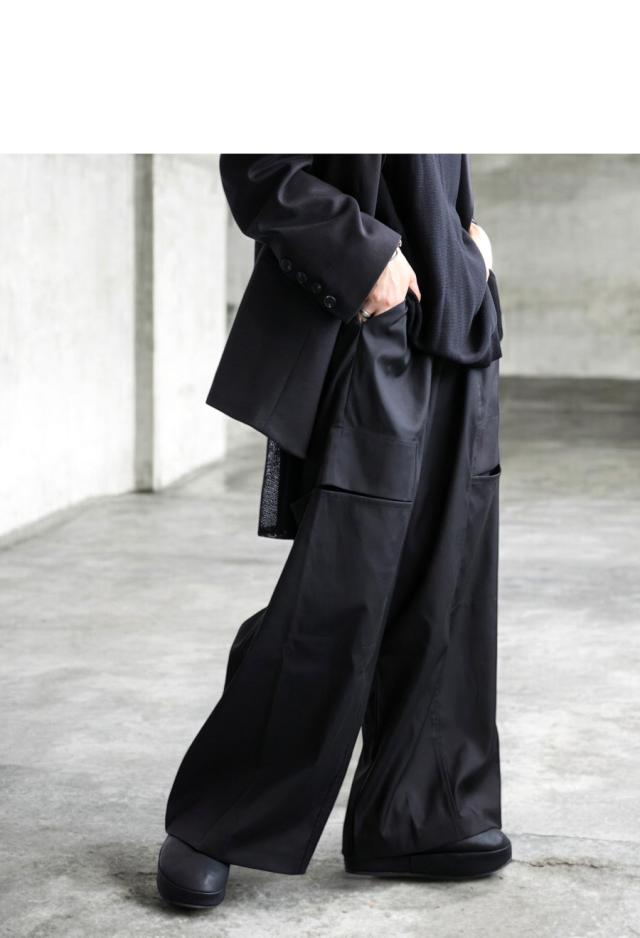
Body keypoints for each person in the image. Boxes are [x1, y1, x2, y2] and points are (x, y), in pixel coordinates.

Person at [156, 154, 510, 909]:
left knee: (448, 581)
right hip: (372, 319)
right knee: (340, 581)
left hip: (460, 320)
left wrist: (470, 252)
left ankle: (418, 817)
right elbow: (262, 171)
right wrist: (365, 258)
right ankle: (220, 817)